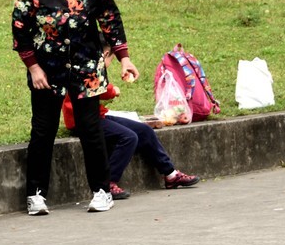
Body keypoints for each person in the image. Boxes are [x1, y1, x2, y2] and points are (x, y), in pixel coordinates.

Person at [12, 0, 139, 215]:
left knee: (91, 130)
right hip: (47, 70)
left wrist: (124, 58)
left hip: (87, 67)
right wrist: (33, 67)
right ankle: (35, 195)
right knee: (42, 132)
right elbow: (20, 29)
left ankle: (101, 190)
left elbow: (110, 19)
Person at [61, 55, 199, 198]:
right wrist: (113, 91)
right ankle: (108, 183)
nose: (108, 63)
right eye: (110, 58)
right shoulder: (85, 65)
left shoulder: (93, 65)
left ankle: (171, 175)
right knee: (128, 137)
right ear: (104, 55)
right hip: (82, 120)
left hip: (98, 115)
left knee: (144, 130)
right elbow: (96, 88)